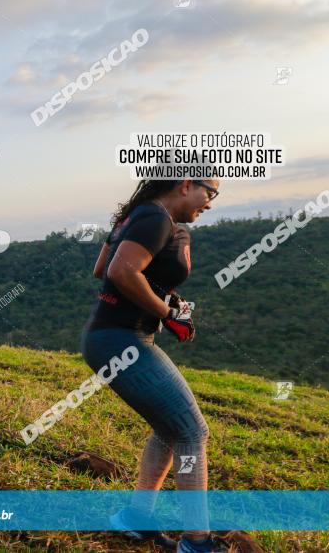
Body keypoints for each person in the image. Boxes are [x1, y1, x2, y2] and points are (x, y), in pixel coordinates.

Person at [82, 179, 227, 552]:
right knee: (193, 432)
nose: (210, 202)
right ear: (184, 185)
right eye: (209, 192)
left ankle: (137, 518)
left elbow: (103, 266)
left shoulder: (136, 218)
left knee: (169, 428)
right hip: (120, 340)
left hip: (113, 338)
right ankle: (198, 542)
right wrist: (166, 312)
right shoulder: (156, 219)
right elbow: (119, 272)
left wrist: (166, 297)